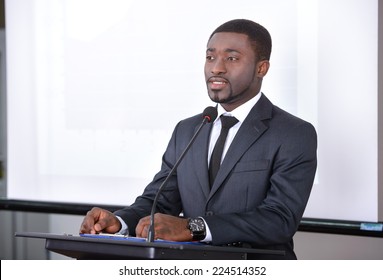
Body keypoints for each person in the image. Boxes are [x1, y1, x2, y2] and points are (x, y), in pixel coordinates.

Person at [80, 19, 317, 259]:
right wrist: (119, 223)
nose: (216, 68)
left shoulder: (293, 133)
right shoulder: (188, 129)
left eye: (232, 58)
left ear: (261, 68)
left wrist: (193, 228)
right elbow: (159, 202)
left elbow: (279, 219)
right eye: (210, 57)